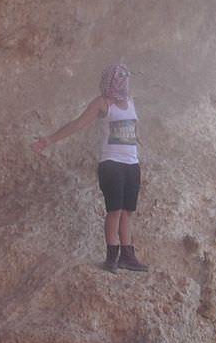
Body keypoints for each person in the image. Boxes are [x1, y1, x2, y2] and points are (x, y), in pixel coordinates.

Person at [31, 64, 149, 273]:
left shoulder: (131, 102)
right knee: (115, 211)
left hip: (132, 163)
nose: (123, 82)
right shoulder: (103, 103)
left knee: (127, 212)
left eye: (125, 78)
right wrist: (49, 140)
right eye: (119, 78)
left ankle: (128, 256)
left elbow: (134, 128)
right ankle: (111, 257)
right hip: (111, 163)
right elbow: (78, 124)